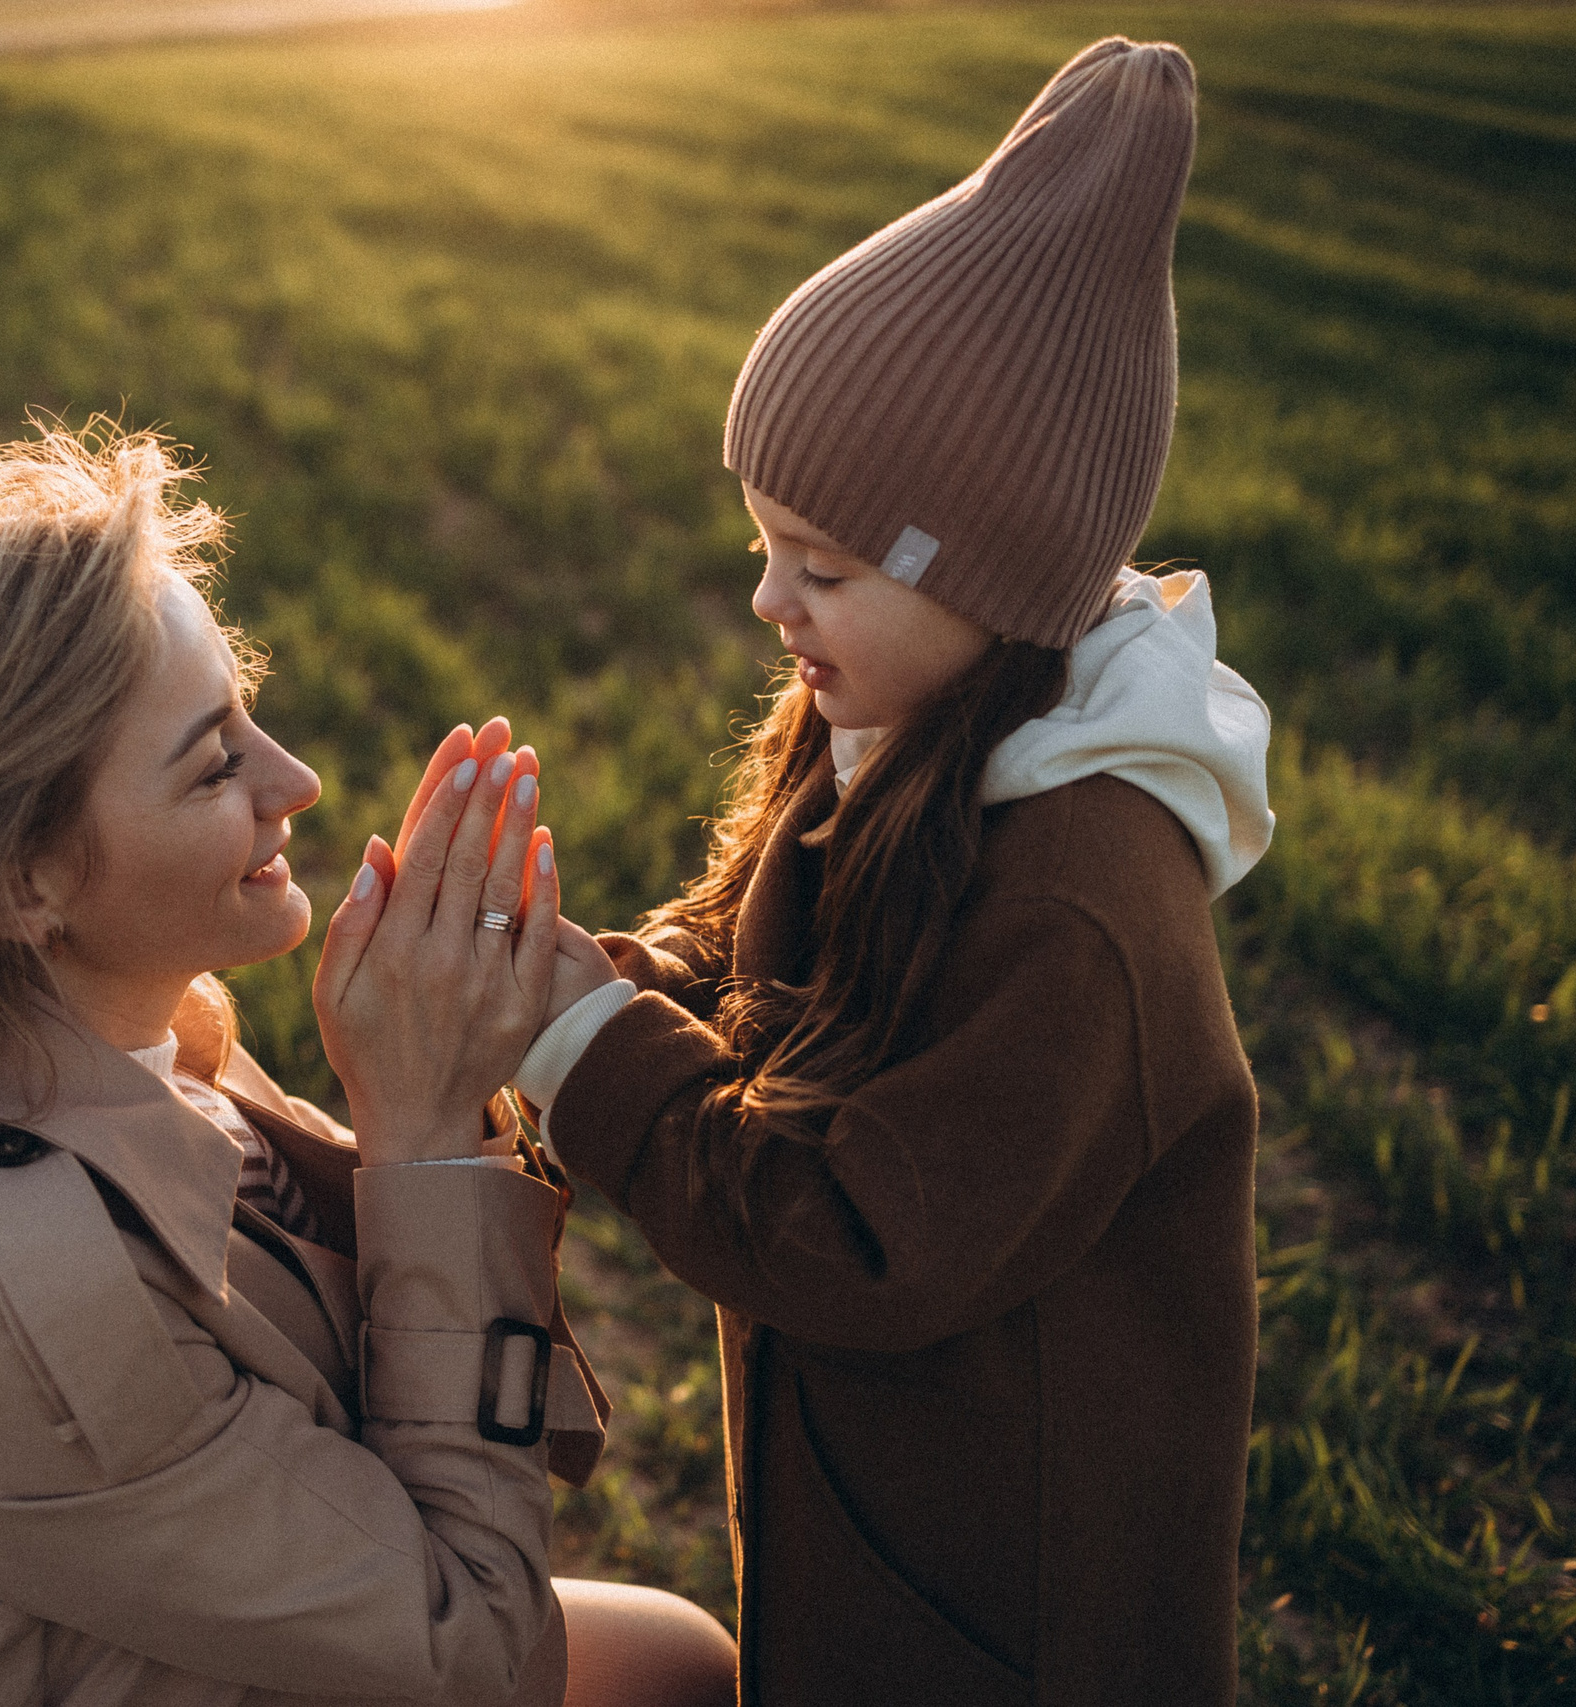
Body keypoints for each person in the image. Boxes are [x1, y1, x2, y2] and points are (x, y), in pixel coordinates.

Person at [0, 426, 738, 1707]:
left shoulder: (117, 1041)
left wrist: (457, 1071)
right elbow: (476, 1654)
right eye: (216, 761)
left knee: (673, 1663)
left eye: (247, 713)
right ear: (23, 880)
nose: (297, 781)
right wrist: (425, 1136)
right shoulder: (18, 1296)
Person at [504, 39, 1275, 1706]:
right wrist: (615, 983)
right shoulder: (898, 719)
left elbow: (859, 1234)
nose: (769, 602)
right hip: (880, 1538)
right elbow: (770, 953)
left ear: (994, 577)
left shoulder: (1080, 903)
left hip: (1013, 1619)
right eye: (763, 543)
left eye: (824, 564)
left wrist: (598, 1061)